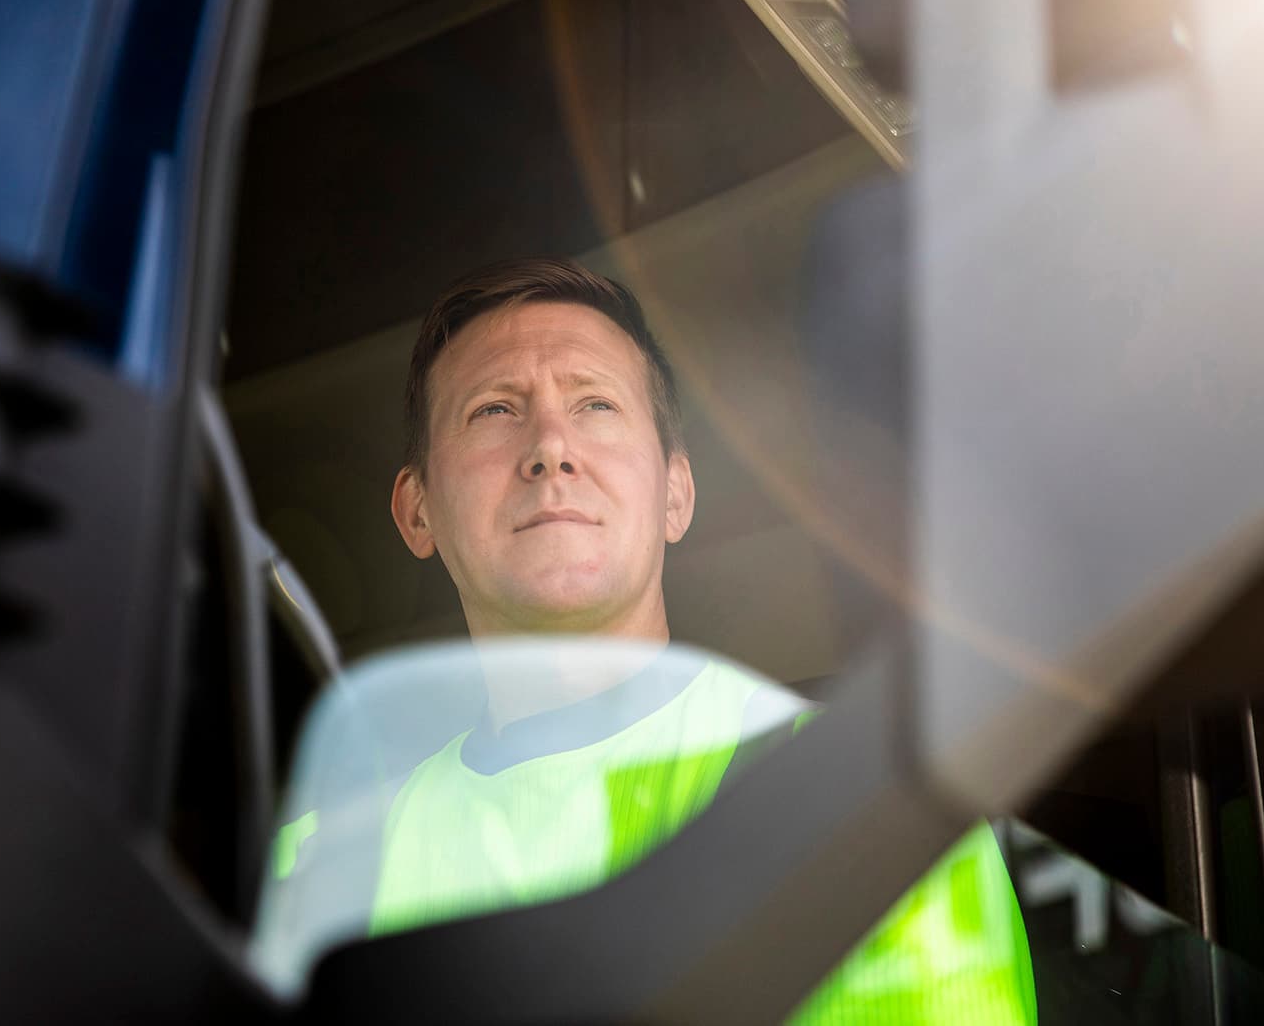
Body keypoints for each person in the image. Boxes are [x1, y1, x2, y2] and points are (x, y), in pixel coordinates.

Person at [255, 258, 1036, 1023]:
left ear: (676, 492)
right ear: (416, 511)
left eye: (595, 405)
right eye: (494, 409)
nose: (550, 448)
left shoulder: (869, 820)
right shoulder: (316, 875)